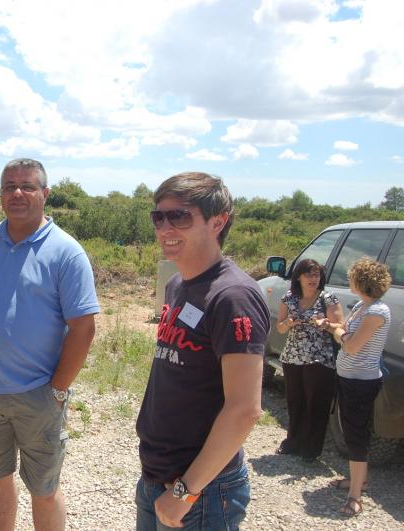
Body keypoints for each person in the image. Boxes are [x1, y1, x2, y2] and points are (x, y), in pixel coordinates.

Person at [0, 158, 99, 531]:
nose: (17, 193)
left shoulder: (66, 251)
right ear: (1, 194)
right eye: (9, 186)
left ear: (44, 194)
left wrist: (58, 389)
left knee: (44, 488)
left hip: (39, 394)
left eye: (27, 186)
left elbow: (83, 328)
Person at [135, 172, 270, 530]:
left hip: (201, 490)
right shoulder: (177, 284)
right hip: (157, 476)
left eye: (179, 216)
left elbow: (244, 409)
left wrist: (185, 492)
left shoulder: (233, 296)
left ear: (218, 222)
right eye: (159, 217)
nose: (165, 228)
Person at [317, 257, 391, 517]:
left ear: (361, 281)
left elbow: (351, 345)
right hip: (348, 378)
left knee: (357, 436)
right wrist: (332, 326)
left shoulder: (377, 311)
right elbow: (346, 331)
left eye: (351, 277)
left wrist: (337, 333)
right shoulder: (362, 305)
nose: (348, 280)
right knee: (351, 432)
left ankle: (355, 495)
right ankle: (359, 480)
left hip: (361, 382)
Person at [275, 259, 343, 462]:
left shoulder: (328, 298)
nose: (313, 278)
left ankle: (311, 450)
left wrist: (326, 324)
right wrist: (288, 323)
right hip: (293, 356)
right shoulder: (289, 298)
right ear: (299, 277)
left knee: (316, 404)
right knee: (295, 402)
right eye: (308, 274)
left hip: (319, 358)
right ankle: (293, 442)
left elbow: (341, 326)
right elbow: (279, 328)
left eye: (316, 274)